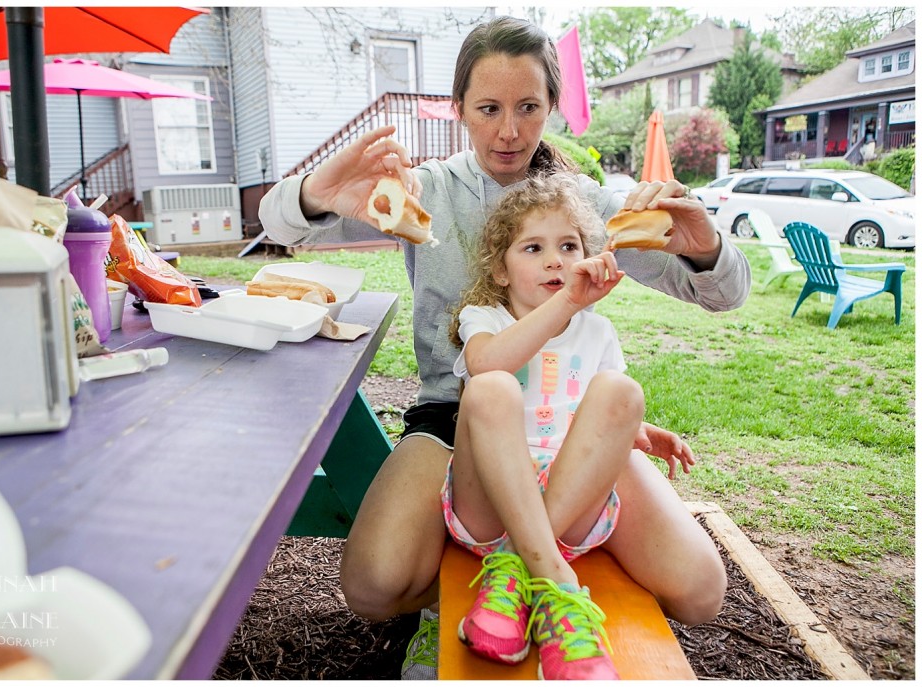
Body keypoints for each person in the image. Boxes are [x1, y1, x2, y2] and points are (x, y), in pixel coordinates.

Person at [259, 15, 750, 680]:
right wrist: (317, 197)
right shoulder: (424, 190)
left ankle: (520, 568)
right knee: (374, 585)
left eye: (528, 107)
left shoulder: (587, 207)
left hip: (570, 422)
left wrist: (706, 246)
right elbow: (278, 226)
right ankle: (482, 585)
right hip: (456, 418)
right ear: (458, 108)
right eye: (488, 109)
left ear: (552, 106)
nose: (509, 131)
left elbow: (723, 293)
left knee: (700, 588)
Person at [446, 173, 695, 679]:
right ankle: (559, 587)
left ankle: (520, 568)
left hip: (570, 508)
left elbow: (602, 419)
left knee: (622, 392)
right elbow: (487, 366)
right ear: (499, 269)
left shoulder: (597, 330)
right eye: (533, 247)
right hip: (492, 502)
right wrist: (567, 304)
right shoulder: (485, 317)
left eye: (568, 245)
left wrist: (643, 432)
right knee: (493, 386)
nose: (555, 260)